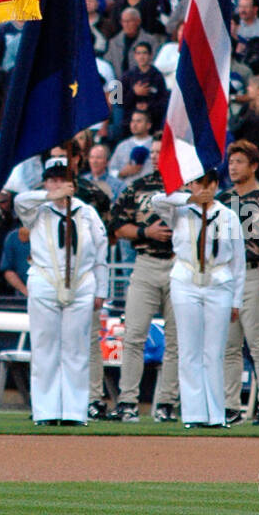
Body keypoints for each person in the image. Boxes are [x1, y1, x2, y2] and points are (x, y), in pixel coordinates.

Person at [14, 156, 108, 426]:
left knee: (76, 348)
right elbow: (20, 201)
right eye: (52, 178)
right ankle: (46, 411)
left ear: (73, 183)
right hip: (45, 280)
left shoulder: (86, 212)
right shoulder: (37, 209)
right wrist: (50, 194)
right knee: (45, 347)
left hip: (80, 282)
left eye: (62, 179)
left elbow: (100, 252)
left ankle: (74, 411)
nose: (57, 183)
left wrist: (101, 289)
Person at [150, 170, 245, 428]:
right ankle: (194, 414)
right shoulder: (180, 210)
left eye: (208, 184)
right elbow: (156, 201)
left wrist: (237, 300)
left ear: (215, 185)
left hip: (218, 281)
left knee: (213, 352)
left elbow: (238, 261)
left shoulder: (229, 216)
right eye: (197, 184)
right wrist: (189, 199)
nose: (203, 189)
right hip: (186, 279)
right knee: (189, 349)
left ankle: (216, 414)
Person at [109, 138, 179, 422]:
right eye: (151, 153)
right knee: (134, 335)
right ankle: (128, 401)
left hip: (179, 266)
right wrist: (144, 233)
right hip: (146, 263)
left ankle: (166, 403)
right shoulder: (137, 187)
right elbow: (115, 225)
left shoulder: (187, 185)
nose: (154, 157)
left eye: (159, 152)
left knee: (176, 340)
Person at [221, 141, 259, 426]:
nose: (233, 167)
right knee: (229, 345)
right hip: (226, 276)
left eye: (239, 162)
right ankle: (230, 405)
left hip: (255, 271)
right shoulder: (222, 200)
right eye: (231, 161)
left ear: (254, 166)